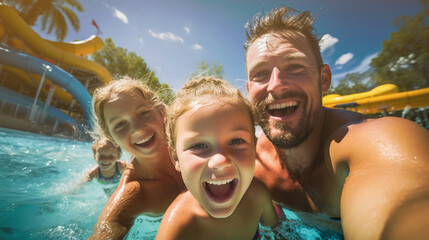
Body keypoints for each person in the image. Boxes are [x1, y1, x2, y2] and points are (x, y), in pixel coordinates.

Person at [244, 6, 429, 239]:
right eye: (260, 73)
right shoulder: (249, 163)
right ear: (250, 90)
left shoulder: (370, 140)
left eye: (295, 67)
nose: (275, 85)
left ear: (324, 80)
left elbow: (403, 202)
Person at [156, 77, 279, 240]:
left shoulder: (258, 196)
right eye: (198, 146)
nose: (220, 161)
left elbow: (278, 233)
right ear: (175, 158)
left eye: (236, 141)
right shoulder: (178, 227)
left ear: (254, 147)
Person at [89, 78, 185, 239]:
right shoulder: (135, 191)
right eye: (119, 124)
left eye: (143, 113)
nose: (137, 130)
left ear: (161, 112)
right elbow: (108, 227)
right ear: (111, 137)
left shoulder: (194, 142)